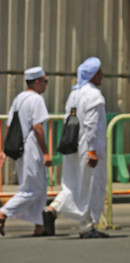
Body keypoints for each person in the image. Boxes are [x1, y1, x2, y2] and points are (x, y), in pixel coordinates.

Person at [42, 57, 108, 238]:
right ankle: (86, 226)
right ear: (93, 75)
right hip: (89, 148)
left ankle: (52, 209)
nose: (102, 76)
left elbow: (69, 120)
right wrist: (93, 151)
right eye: (99, 73)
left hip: (73, 146)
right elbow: (91, 125)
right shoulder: (94, 95)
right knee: (91, 184)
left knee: (73, 184)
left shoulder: (74, 94)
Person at [0, 67, 51, 237]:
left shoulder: (19, 98)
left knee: (39, 187)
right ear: (37, 82)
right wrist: (45, 152)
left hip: (20, 149)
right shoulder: (36, 99)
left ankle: (39, 226)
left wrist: (4, 149)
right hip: (31, 149)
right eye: (45, 81)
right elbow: (37, 127)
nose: (46, 85)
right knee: (32, 189)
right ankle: (3, 212)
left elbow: (9, 126)